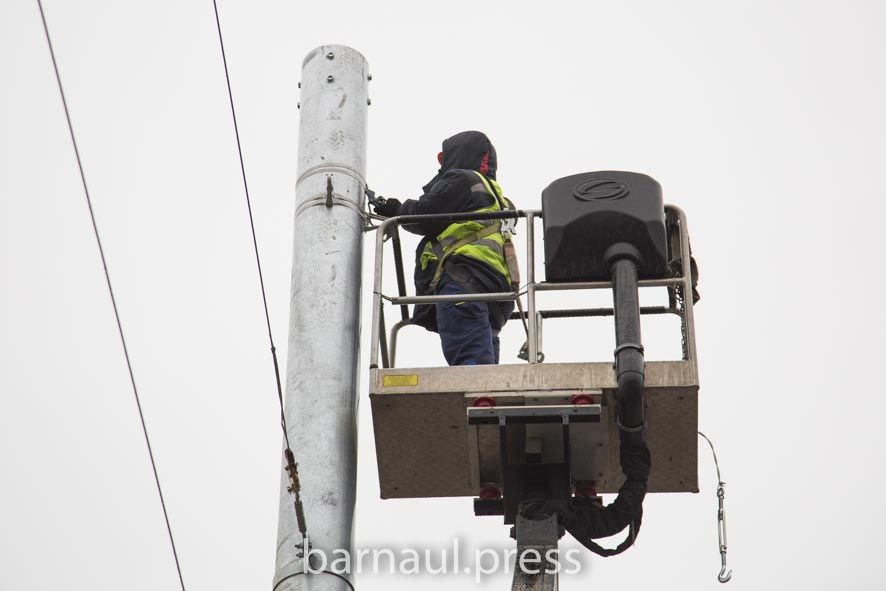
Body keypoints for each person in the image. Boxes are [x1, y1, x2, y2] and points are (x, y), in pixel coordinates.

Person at [372, 131, 515, 366]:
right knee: (485, 373)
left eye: (444, 158)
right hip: (496, 293)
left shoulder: (463, 179)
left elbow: (425, 216)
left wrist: (396, 210)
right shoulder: (496, 197)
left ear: (459, 155)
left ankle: (479, 396)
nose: (442, 166)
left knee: (473, 371)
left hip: (463, 283)